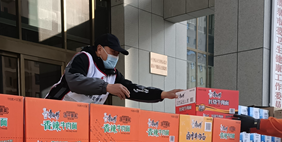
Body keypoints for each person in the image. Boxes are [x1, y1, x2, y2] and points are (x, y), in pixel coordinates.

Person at [46, 34, 182, 104]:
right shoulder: (84, 58)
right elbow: (75, 81)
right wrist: (107, 87)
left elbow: (132, 90)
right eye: (113, 52)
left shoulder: (113, 74)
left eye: (117, 54)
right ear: (100, 49)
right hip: (54, 112)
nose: (115, 57)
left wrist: (162, 94)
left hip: (79, 120)